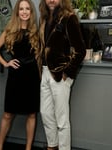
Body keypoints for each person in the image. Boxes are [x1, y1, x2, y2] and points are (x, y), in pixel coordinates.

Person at [37, 0, 86, 150]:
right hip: (44, 73)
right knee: (45, 113)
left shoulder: (69, 18)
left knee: (62, 120)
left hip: (60, 75)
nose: (51, 0)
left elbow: (80, 50)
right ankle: (52, 146)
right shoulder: (44, 18)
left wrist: (67, 73)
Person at [0, 0, 40, 150]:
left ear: (31, 12)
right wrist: (6, 63)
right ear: (17, 12)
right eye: (21, 9)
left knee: (31, 115)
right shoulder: (10, 30)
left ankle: (28, 148)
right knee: (7, 114)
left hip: (32, 77)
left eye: (27, 9)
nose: (24, 12)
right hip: (15, 77)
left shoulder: (36, 32)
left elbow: (40, 56)